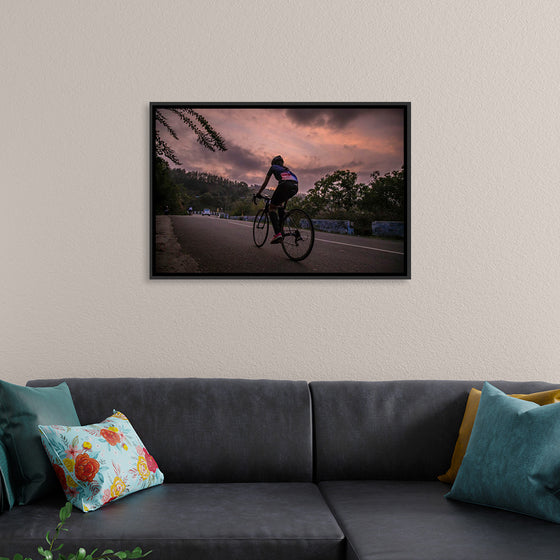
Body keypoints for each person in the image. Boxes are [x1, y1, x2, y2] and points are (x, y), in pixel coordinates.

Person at [254, 155, 299, 244]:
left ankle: (277, 234)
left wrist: (258, 193)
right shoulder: (287, 170)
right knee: (280, 206)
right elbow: (291, 183)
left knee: (272, 208)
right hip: (295, 187)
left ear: (274, 163)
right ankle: (282, 229)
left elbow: (265, 182)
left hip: (284, 185)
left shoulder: (273, 167)